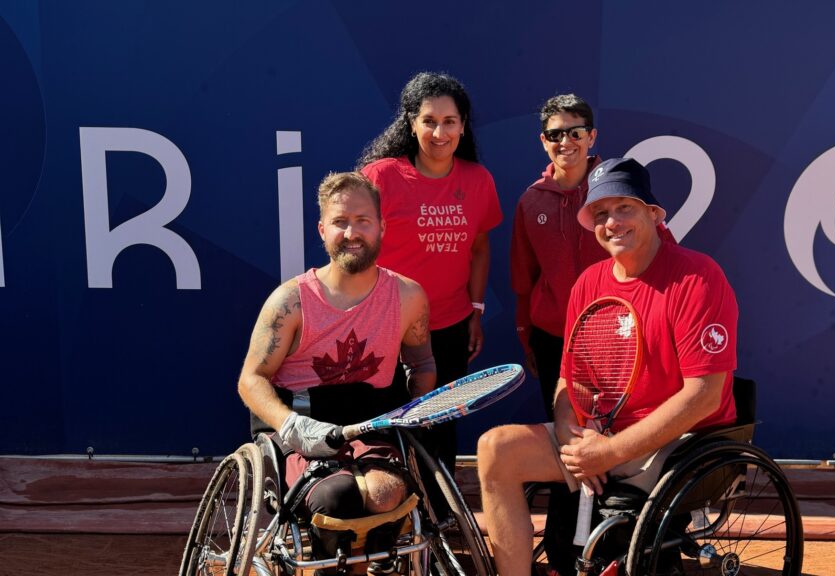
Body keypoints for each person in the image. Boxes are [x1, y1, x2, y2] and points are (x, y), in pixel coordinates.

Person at [478, 158, 738, 576]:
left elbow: (704, 395)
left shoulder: (699, 277)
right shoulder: (589, 283)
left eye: (624, 209)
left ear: (654, 214)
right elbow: (571, 380)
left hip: (679, 445)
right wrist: (572, 441)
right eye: (600, 213)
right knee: (496, 450)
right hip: (603, 438)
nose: (612, 222)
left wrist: (610, 452)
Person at [237, 172, 436, 569]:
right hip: (303, 425)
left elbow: (422, 363)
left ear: (381, 226)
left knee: (384, 493)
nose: (352, 232)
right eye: (340, 222)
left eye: (363, 221)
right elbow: (251, 379)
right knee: (338, 496)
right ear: (322, 229)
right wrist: (291, 425)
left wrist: (421, 403)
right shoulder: (290, 301)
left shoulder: (408, 296)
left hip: (368, 423)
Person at [358, 71, 502, 468]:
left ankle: (439, 516)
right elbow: (355, 249)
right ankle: (393, 516)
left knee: (439, 427)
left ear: (463, 125)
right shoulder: (381, 176)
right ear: (411, 123)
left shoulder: (478, 180)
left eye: (449, 121)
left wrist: (476, 311)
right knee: (387, 429)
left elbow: (479, 248)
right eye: (429, 121)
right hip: (386, 326)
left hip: (450, 327)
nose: (440, 132)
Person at [510, 94, 604, 419]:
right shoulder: (530, 202)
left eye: (575, 132)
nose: (566, 141)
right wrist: (526, 337)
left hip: (615, 334)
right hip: (553, 339)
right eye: (555, 134)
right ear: (543, 141)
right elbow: (524, 278)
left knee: (617, 427)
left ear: (591, 136)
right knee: (564, 429)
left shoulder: (615, 191)